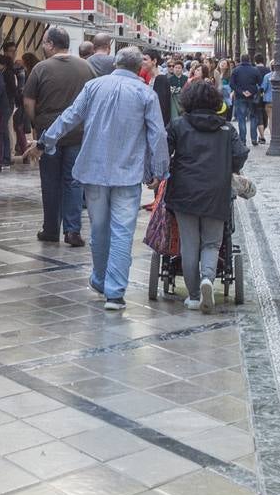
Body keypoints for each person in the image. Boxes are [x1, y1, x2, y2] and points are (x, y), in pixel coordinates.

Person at [27, 46, 169, 310]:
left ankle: (102, 279)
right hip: (127, 172)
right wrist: (159, 171)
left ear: (116, 63)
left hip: (93, 168)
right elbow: (157, 135)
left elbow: (69, 117)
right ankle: (114, 292)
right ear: (139, 67)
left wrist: (45, 141)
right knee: (122, 230)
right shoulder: (144, 93)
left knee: (99, 227)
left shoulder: (93, 87)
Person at [165, 80, 248, 312]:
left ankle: (193, 296)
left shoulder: (178, 125)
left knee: (189, 244)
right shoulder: (226, 129)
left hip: (184, 192)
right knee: (212, 242)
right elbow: (240, 156)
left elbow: (164, 150)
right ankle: (207, 280)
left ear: (187, 101)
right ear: (215, 102)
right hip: (216, 192)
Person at [23, 27, 94, 247]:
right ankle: (73, 230)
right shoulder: (86, 67)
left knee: (50, 182)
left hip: (48, 134)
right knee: (73, 182)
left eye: (44, 43)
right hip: (77, 135)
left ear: (51, 44)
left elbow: (28, 102)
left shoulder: (40, 69)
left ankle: (51, 229)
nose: (43, 47)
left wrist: (37, 124)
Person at [229, 53, 263, 145]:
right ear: (249, 60)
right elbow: (260, 84)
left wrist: (241, 91)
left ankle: (243, 140)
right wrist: (251, 91)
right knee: (253, 117)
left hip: (240, 97)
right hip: (252, 97)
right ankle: (253, 139)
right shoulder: (255, 70)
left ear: (240, 60)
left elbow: (232, 84)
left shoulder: (235, 70)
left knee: (241, 118)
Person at [143, 48, 172, 126]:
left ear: (154, 61)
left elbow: (161, 108)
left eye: (145, 59)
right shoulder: (153, 78)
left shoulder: (160, 79)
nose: (142, 62)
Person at [254, 53, 270, 143]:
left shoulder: (254, 70)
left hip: (257, 95)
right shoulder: (268, 70)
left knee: (259, 114)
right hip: (266, 95)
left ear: (255, 61)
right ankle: (261, 135)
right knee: (266, 115)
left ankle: (262, 136)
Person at [260, 62, 274, 143]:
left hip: (269, 100)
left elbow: (263, 88)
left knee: (271, 119)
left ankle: (273, 137)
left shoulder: (267, 76)